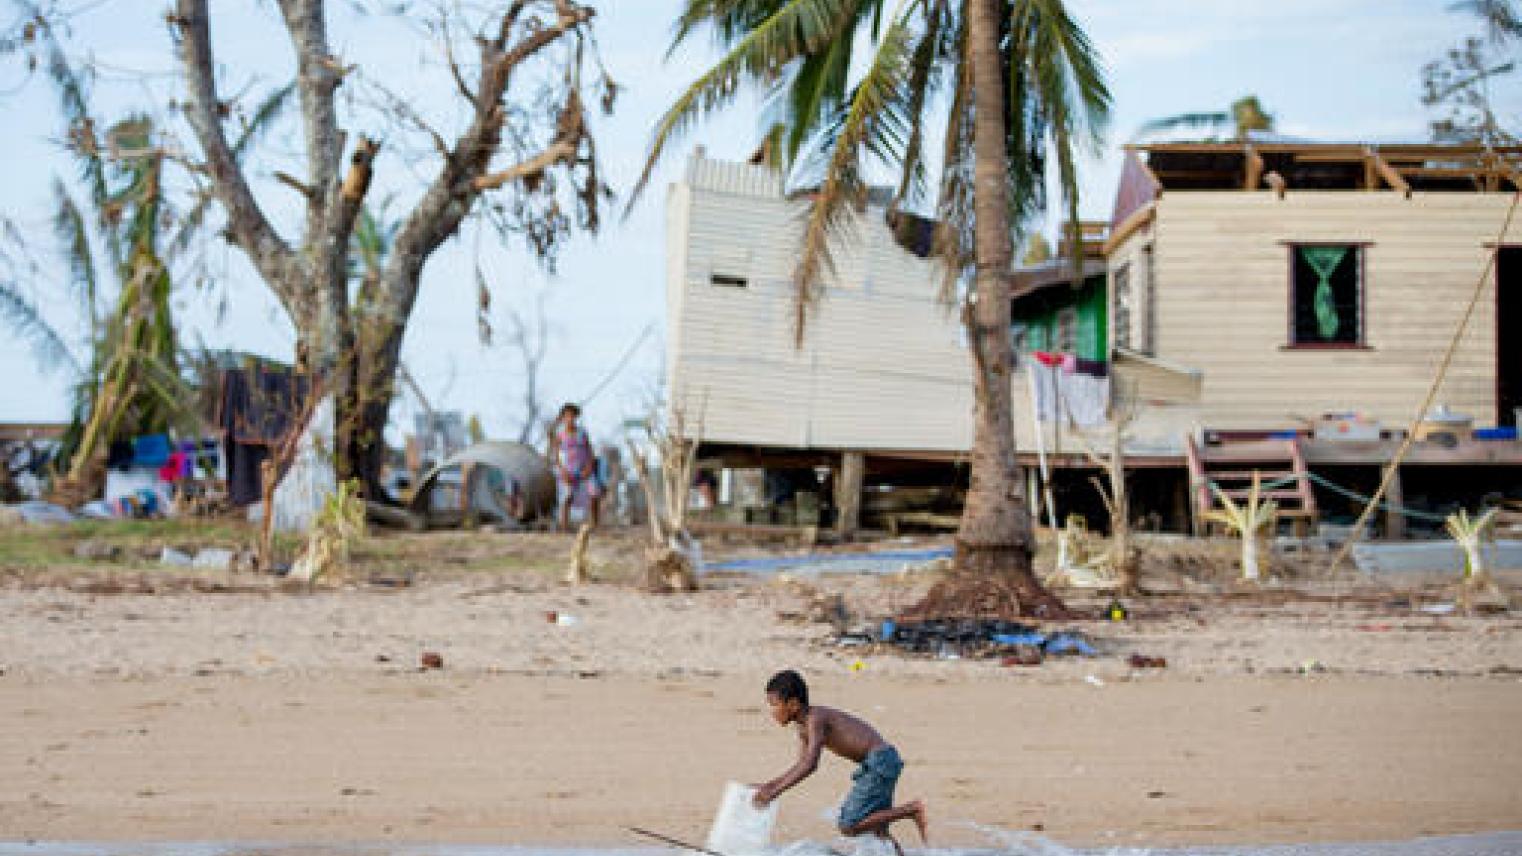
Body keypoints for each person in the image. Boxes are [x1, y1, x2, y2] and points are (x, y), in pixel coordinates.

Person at [754, 670, 927, 853]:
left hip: (879, 762)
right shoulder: (803, 727)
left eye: (774, 705)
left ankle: (912, 810)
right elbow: (801, 765)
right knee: (878, 829)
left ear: (794, 704)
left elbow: (810, 765)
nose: (772, 711)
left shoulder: (815, 719)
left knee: (849, 824)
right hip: (880, 761)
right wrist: (769, 786)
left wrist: (775, 791)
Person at [548, 403, 600, 531]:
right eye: (566, 416)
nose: (570, 419)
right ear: (563, 418)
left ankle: (594, 524)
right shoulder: (560, 435)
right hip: (568, 470)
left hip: (584, 469)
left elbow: (590, 452)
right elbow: (555, 455)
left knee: (594, 493)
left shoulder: (582, 433)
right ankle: (564, 526)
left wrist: (589, 467)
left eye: (572, 416)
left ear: (576, 417)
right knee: (567, 496)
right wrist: (562, 471)